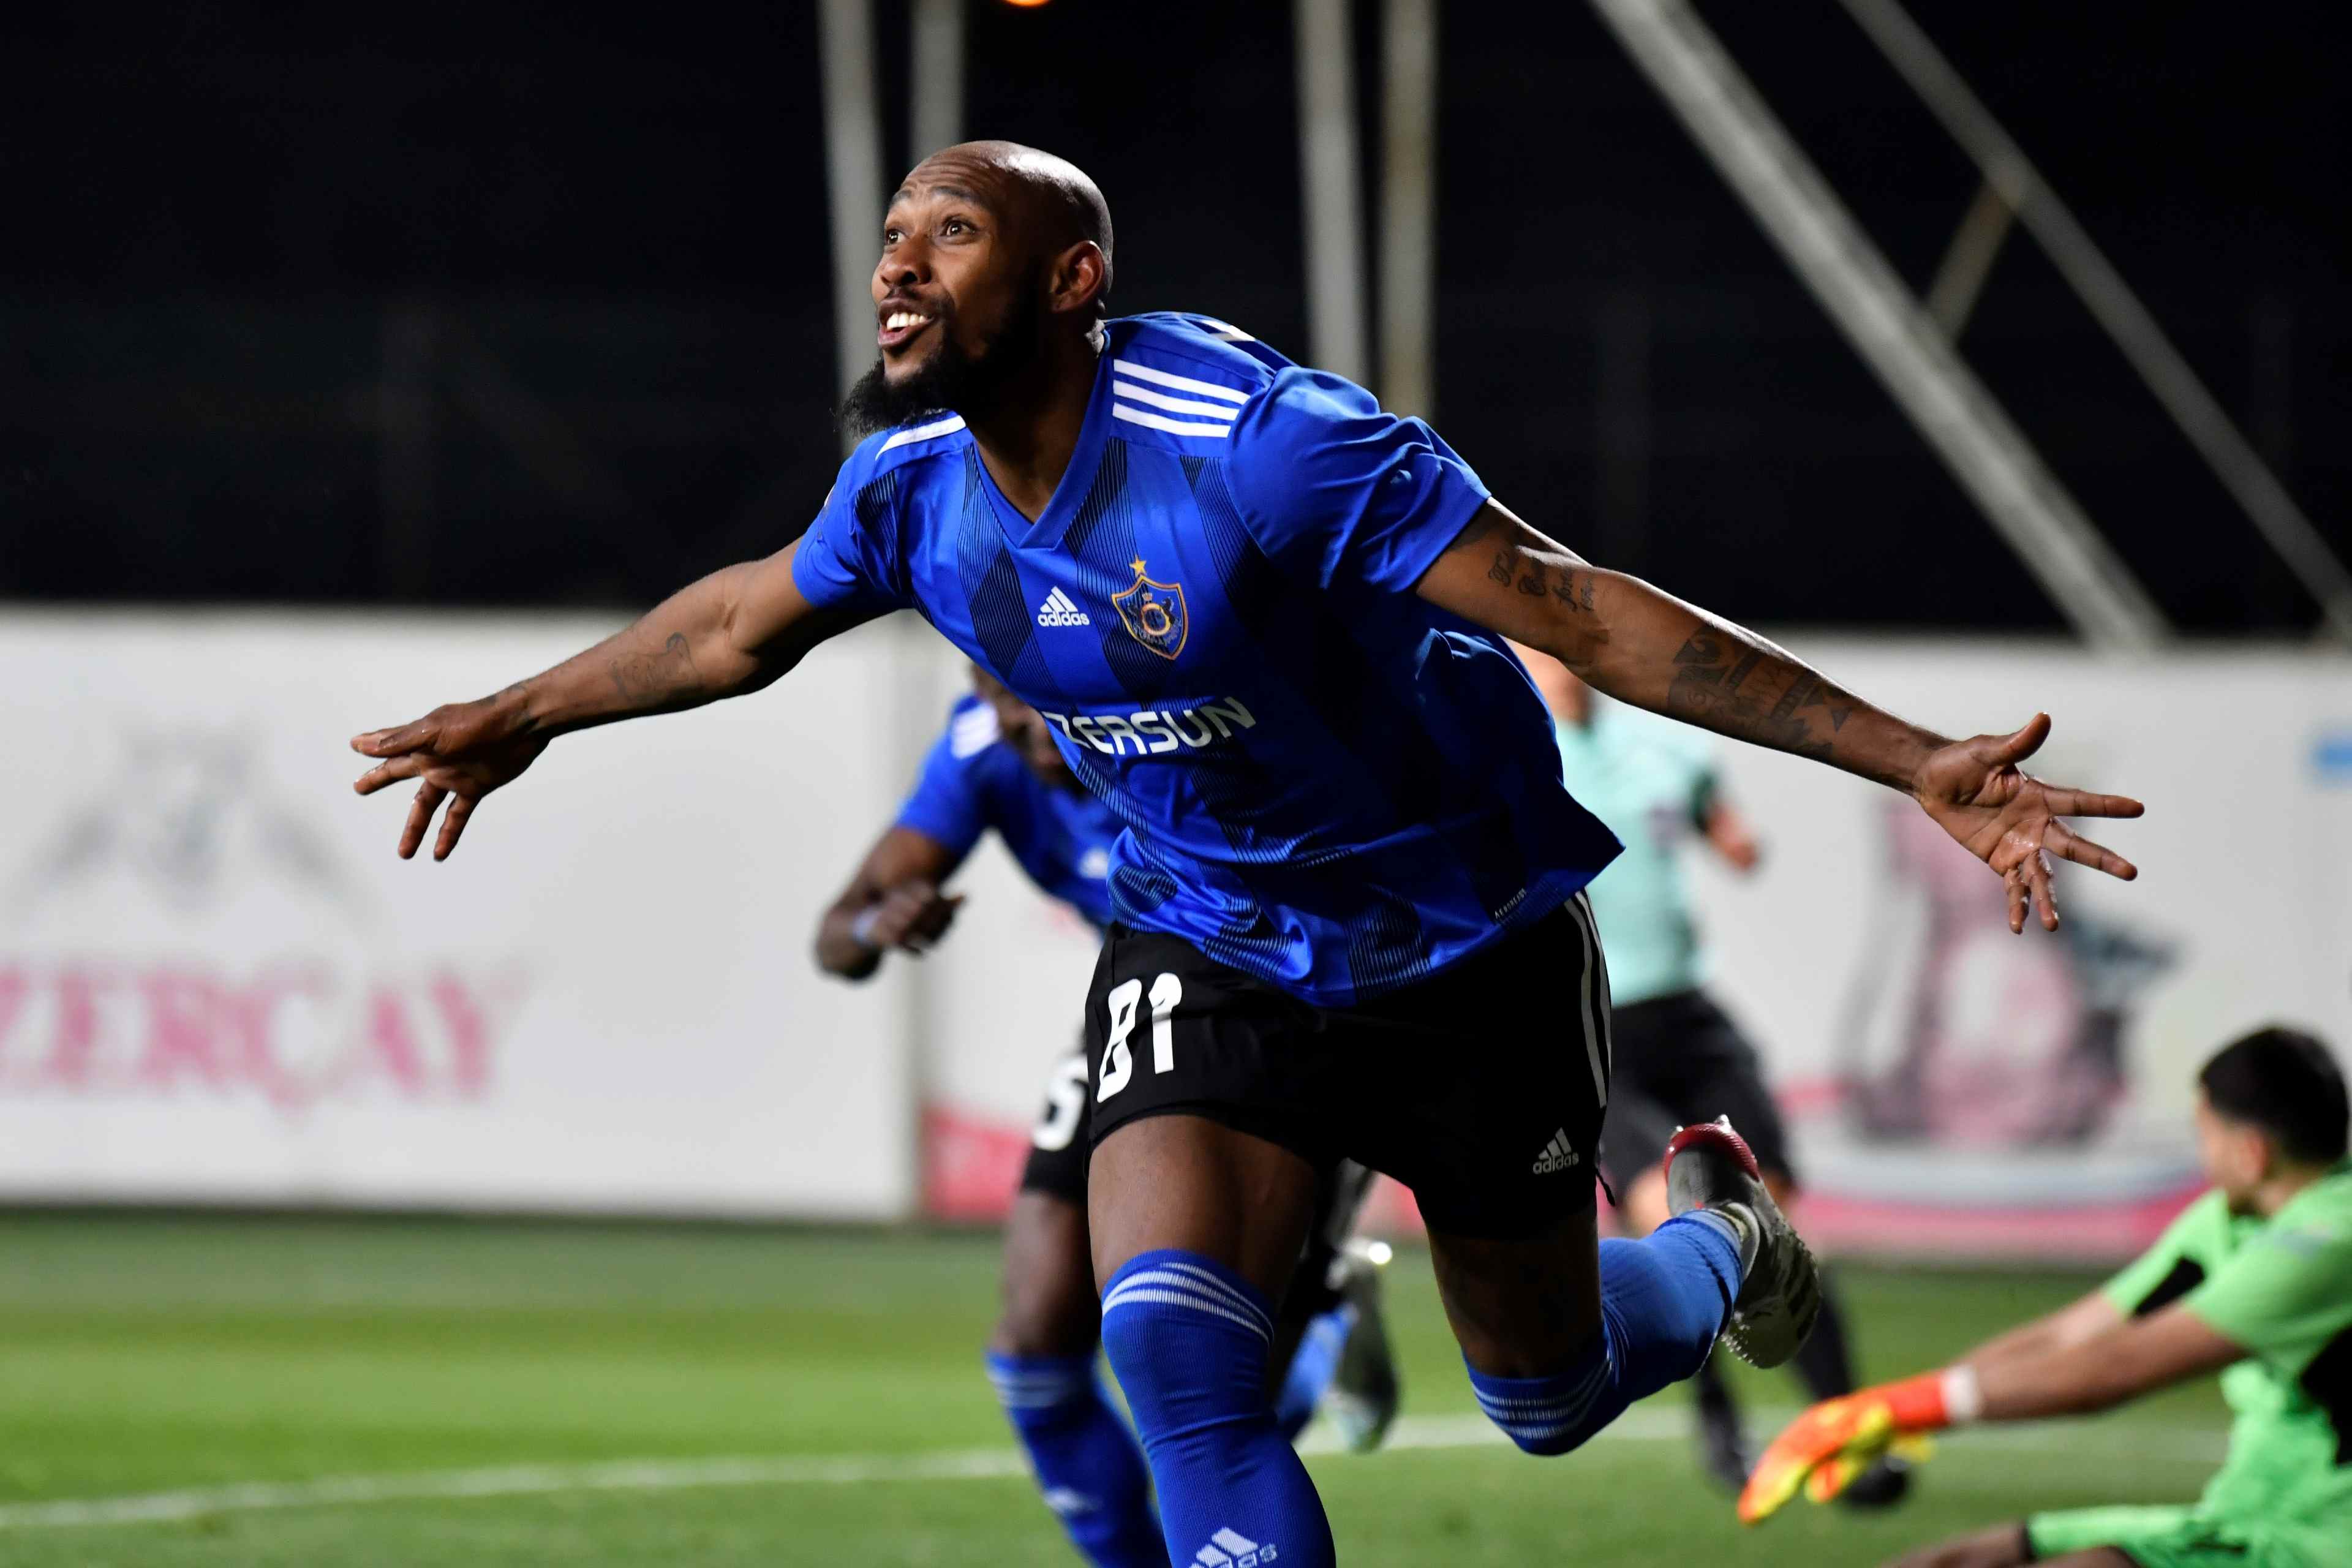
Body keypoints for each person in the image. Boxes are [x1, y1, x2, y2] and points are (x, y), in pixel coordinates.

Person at [349, 140, 2144, 1568]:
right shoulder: (910, 493)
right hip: (1209, 937)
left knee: (1542, 1397)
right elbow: (737, 621)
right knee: (1178, 1366)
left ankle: (1713, 1243)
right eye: (892, 234)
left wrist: (1915, 758)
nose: (897, 264)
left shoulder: (1260, 445)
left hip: (1462, 938)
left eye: (949, 232)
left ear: (1072, 279)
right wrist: (527, 710)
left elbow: (1577, 608)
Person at [815, 663, 1398, 1567]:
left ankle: (1324, 1315)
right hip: (1144, 1015)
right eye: (998, 695)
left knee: (1227, 1394)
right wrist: (875, 926)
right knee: (1034, 1342)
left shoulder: (1184, 721)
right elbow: (836, 934)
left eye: (1033, 693)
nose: (1023, 720)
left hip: (1306, 1013)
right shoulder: (979, 756)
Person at [1514, 644, 1907, 1502]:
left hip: (1691, 1019)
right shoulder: (1514, 747)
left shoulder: (1663, 746)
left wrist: (1738, 839)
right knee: (1670, 1220)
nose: (1557, 664)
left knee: (1778, 1224)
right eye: (1536, 649)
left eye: (1564, 647)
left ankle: (1846, 1431)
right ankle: (1719, 1419)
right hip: (1593, 1028)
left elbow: (1721, 826)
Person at [1740, 1027, 2352, 1568]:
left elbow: (2115, 1369)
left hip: (2323, 1544)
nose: (2202, 1156)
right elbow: (2070, 1337)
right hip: (2244, 1523)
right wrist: (1890, 1417)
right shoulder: (2225, 1221)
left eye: (2206, 1135)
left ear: (2252, 1153)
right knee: (1946, 1562)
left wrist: (1906, 1408)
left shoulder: (2331, 1240)